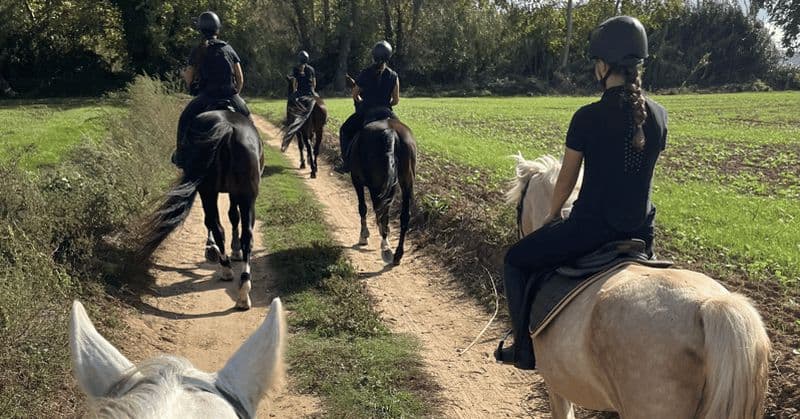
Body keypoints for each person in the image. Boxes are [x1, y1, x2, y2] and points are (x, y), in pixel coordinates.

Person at [495, 15, 668, 370]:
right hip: (641, 236)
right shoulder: (660, 116)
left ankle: (524, 349)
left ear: (603, 66)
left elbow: (566, 180)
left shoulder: (587, 117)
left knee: (515, 261)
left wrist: (550, 216)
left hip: (589, 231)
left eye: (596, 63)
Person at [172, 11, 252, 168]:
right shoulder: (228, 48)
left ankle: (181, 155)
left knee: (184, 119)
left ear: (200, 30)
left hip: (206, 96)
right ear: (218, 29)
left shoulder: (198, 50)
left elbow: (189, 76)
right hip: (230, 95)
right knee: (249, 120)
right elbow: (240, 77)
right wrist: (236, 93)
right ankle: (255, 153)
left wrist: (192, 88)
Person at [333, 40, 400, 174]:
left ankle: (346, 164)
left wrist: (361, 101)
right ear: (389, 56)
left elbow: (355, 94)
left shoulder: (365, 73)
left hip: (367, 111)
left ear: (373, 55)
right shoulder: (393, 75)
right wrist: (386, 104)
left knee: (344, 130)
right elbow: (396, 100)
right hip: (387, 112)